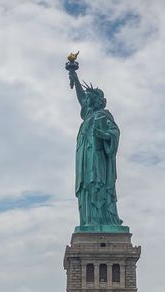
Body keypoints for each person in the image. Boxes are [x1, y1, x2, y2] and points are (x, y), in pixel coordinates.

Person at [66, 58, 124, 228]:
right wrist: (74, 76)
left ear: (98, 101)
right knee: (86, 187)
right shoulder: (88, 116)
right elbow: (81, 98)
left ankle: (104, 219)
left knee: (98, 185)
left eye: (91, 99)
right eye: (88, 99)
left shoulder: (104, 116)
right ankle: (89, 220)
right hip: (85, 158)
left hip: (98, 157)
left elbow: (114, 133)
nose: (87, 101)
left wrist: (103, 134)